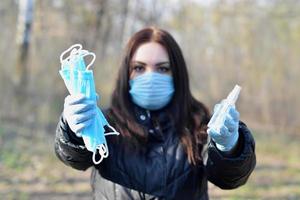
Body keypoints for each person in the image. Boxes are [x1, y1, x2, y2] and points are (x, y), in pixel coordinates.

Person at [54, 27, 256, 200]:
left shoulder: (198, 125)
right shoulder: (106, 123)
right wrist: (72, 131)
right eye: (139, 68)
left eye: (162, 68)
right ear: (127, 74)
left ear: (176, 74)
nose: (150, 77)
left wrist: (229, 147)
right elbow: (75, 159)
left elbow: (228, 179)